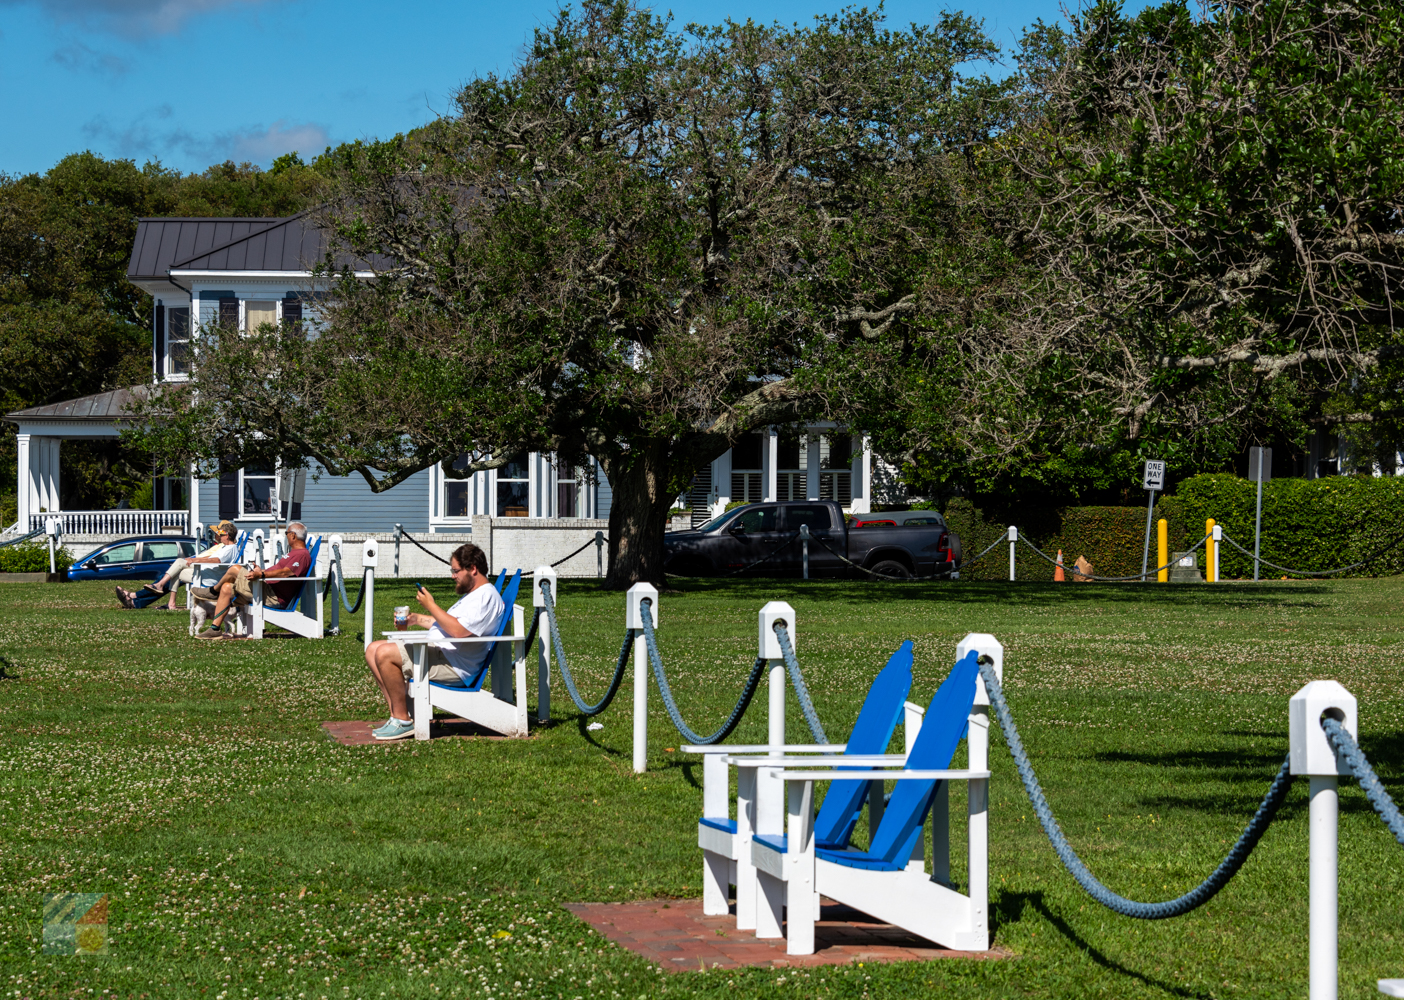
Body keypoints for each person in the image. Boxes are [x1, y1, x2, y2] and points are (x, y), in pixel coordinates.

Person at [363, 542, 504, 741]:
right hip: (443, 655)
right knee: (372, 649)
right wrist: (416, 619)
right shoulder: (474, 596)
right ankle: (397, 715)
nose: (453, 576)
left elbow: (457, 630)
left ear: (473, 569)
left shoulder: (485, 597)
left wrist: (431, 605)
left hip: (454, 665)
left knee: (384, 653)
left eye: (456, 571)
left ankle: (402, 721)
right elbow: (448, 624)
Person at [190, 521, 314, 639]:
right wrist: (260, 571)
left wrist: (261, 575)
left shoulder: (301, 555)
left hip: (272, 596)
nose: (286, 536)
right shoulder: (294, 553)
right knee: (227, 587)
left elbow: (285, 572)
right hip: (264, 589)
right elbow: (279, 571)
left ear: (293, 535)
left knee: (235, 569)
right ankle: (214, 629)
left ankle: (212, 591)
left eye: (286, 533)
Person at [115, 521, 239, 611]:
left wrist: (195, 560)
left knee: (177, 567)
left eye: (221, 533)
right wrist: (194, 560)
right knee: (177, 567)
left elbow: (216, 560)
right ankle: (161, 599)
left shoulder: (229, 548)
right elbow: (211, 558)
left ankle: (147, 594)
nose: (218, 535)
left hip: (208, 574)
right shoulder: (224, 547)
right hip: (203, 570)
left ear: (227, 535)